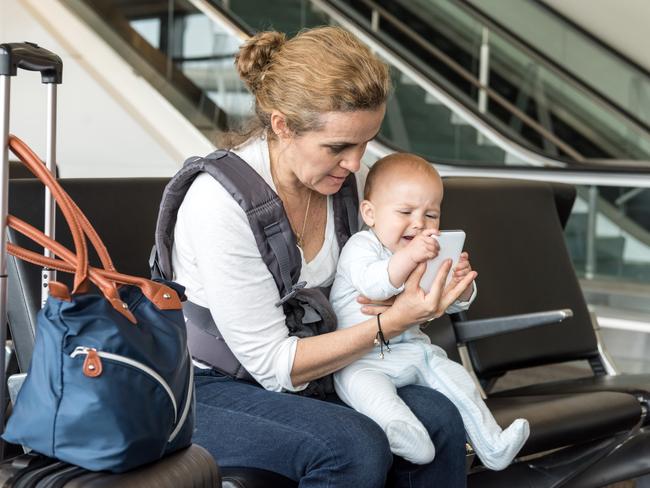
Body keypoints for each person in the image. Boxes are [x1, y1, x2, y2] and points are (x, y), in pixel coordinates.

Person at [170, 26, 476, 487]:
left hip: (324, 366)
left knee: (440, 416)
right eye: (338, 147)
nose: (355, 164)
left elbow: (378, 282)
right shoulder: (219, 203)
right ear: (282, 126)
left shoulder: (345, 183)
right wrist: (389, 323)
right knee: (351, 447)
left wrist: (415, 294)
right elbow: (275, 366)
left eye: (366, 142)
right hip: (212, 387)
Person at [330, 153, 530, 471]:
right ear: (370, 212)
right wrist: (411, 257)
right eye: (406, 212)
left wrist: (461, 283)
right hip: (360, 358)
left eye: (431, 214)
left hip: (412, 352)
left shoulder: (426, 251)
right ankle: (406, 436)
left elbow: (448, 303)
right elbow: (376, 285)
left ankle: (493, 445)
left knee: (457, 381)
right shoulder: (362, 247)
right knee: (371, 395)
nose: (420, 223)